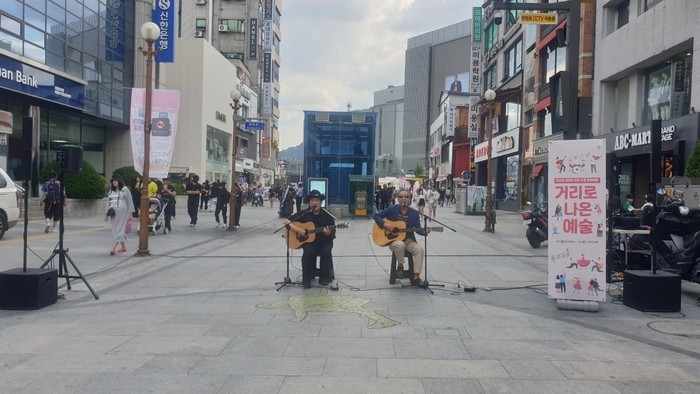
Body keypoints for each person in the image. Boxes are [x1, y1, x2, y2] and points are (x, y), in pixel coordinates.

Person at [373, 188, 430, 287]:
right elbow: (376, 216)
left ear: (410, 199)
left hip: (409, 240)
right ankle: (400, 266)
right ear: (397, 199)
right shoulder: (392, 209)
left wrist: (424, 231)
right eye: (401, 197)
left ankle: (416, 277)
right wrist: (385, 225)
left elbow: (417, 229)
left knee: (419, 249)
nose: (403, 199)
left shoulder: (414, 213)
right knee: (400, 245)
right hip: (394, 241)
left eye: (406, 197)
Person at [284, 190, 336, 289]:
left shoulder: (327, 215)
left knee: (326, 252)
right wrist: (298, 230)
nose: (315, 203)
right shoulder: (304, 213)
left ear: (321, 202)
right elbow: (287, 221)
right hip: (310, 242)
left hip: (324, 241)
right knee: (308, 252)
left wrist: (328, 233)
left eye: (317, 200)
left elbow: (333, 233)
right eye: (312, 200)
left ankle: (324, 277)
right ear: (309, 202)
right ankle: (306, 279)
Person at [104, 175, 134, 255]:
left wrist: (130, 212)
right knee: (115, 228)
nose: (114, 182)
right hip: (113, 212)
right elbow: (108, 202)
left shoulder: (125, 190)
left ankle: (113, 247)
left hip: (123, 211)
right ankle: (123, 246)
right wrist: (106, 214)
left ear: (119, 182)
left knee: (120, 228)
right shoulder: (111, 191)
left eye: (116, 181)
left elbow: (129, 201)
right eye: (113, 181)